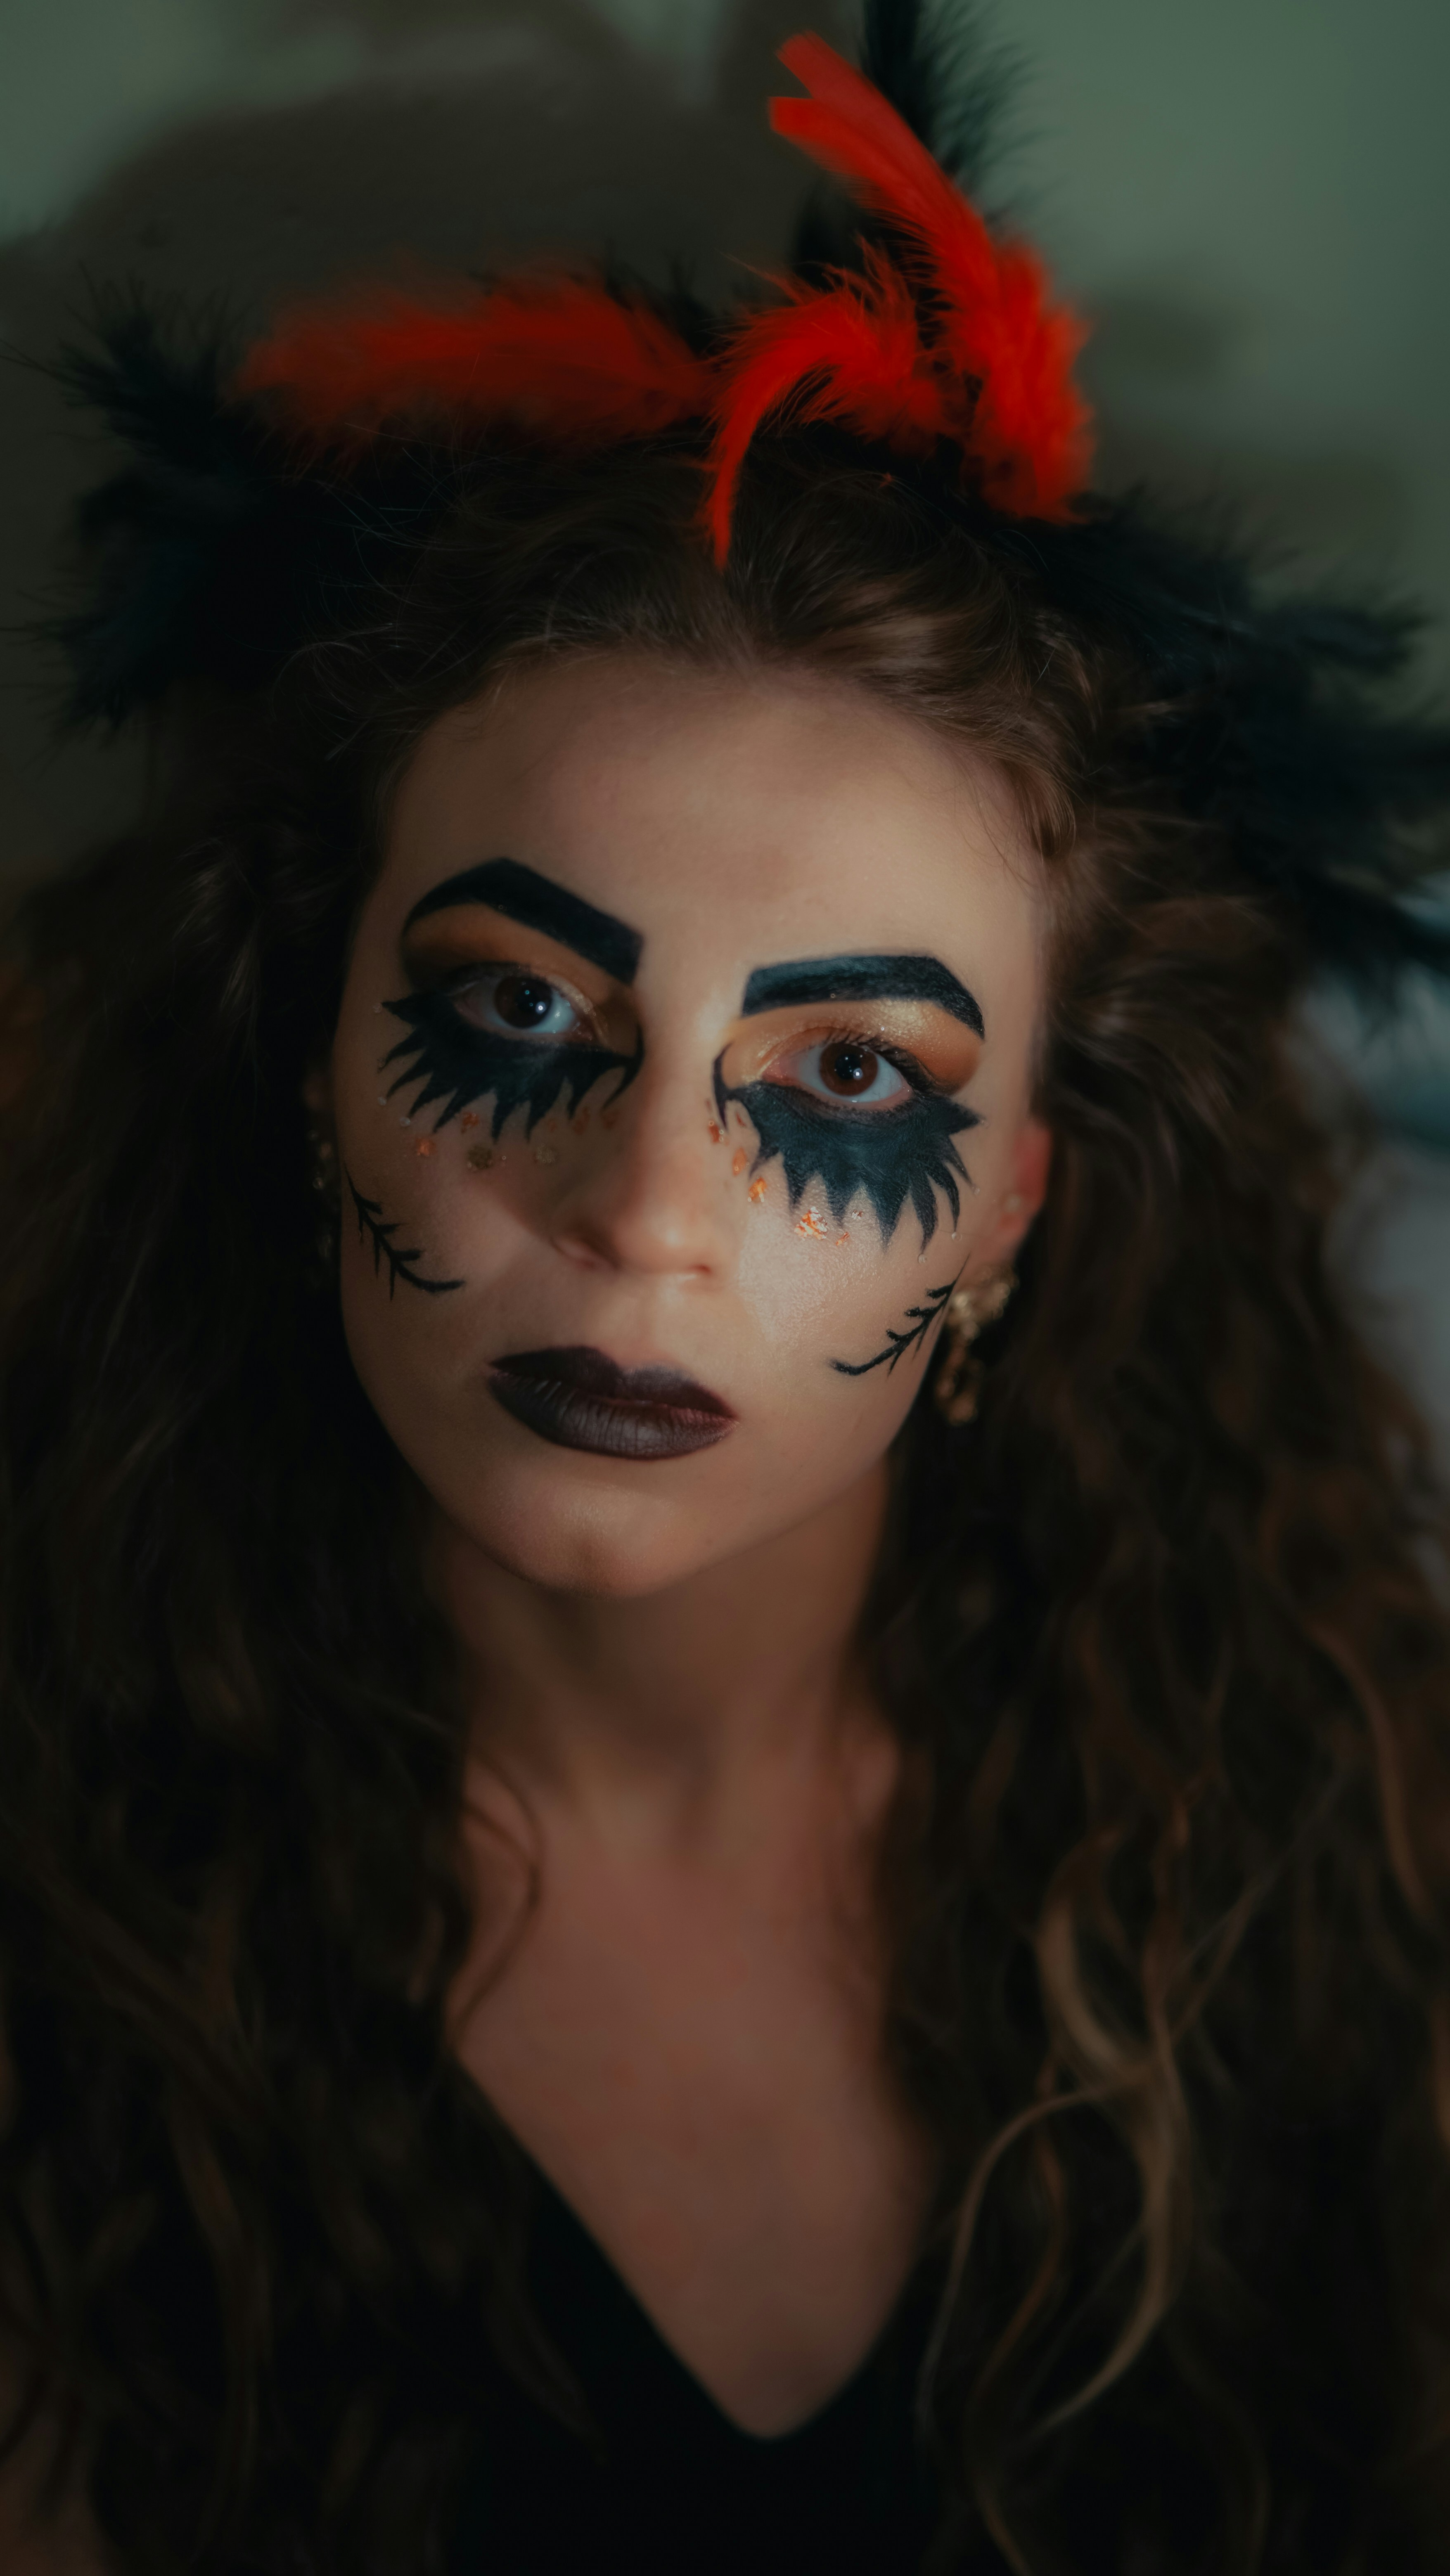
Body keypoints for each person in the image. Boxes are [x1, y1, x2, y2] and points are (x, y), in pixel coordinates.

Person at [3, 4, 1450, 2569]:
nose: (645, 1205)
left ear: (1015, 1212)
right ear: (313, 1063)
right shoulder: (63, 1938)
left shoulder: (1336, 1840)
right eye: (521, 1015)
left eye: (853, 1082)